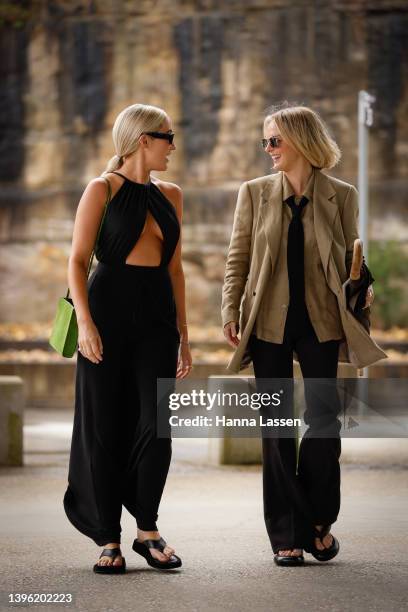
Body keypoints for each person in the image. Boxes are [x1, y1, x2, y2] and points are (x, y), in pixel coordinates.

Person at [222, 104, 386, 566]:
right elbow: (238, 259)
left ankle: (318, 522)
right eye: (265, 142)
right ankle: (286, 536)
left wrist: (361, 284)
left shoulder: (341, 194)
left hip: (322, 321)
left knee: (324, 422)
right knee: (275, 428)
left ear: (300, 141)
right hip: (268, 323)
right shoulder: (254, 193)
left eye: (274, 140)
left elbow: (353, 256)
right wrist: (230, 312)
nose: (268, 150)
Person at [63, 103, 192, 574]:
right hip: (107, 312)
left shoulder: (172, 195)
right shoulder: (101, 189)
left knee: (157, 424)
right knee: (104, 425)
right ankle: (108, 538)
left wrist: (184, 334)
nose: (173, 146)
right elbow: (77, 261)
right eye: (167, 136)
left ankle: (148, 530)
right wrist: (86, 324)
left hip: (157, 316)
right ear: (143, 139)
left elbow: (175, 269)